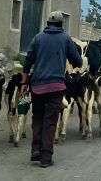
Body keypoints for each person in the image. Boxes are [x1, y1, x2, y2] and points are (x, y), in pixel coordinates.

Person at [22, 11, 83, 168]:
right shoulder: (65, 39)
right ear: (61, 24)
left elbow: (27, 62)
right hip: (56, 88)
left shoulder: (37, 38)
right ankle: (46, 158)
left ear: (48, 23)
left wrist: (24, 84)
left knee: (37, 118)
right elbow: (77, 60)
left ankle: (35, 151)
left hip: (37, 87)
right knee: (50, 122)